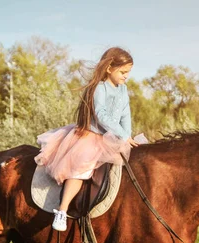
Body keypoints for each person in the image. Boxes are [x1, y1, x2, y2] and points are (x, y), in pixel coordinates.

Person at [34, 47, 143, 231]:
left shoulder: (123, 90)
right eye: (123, 72)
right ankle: (62, 210)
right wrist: (122, 134)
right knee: (80, 169)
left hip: (113, 137)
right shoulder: (99, 88)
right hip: (91, 137)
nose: (126, 76)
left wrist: (127, 135)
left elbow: (126, 114)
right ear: (109, 68)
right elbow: (101, 115)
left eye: (128, 73)